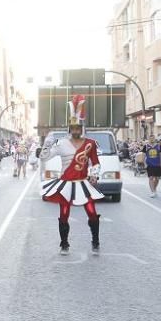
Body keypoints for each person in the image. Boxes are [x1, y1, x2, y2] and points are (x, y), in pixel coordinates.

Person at [39, 96, 104, 255]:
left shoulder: (90, 143)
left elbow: (95, 162)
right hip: (66, 183)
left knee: (92, 212)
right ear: (69, 128)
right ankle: (64, 244)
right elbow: (44, 157)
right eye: (73, 128)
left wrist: (94, 174)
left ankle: (95, 241)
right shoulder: (61, 143)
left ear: (81, 128)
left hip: (83, 182)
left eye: (78, 128)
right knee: (64, 214)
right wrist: (47, 144)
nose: (75, 130)